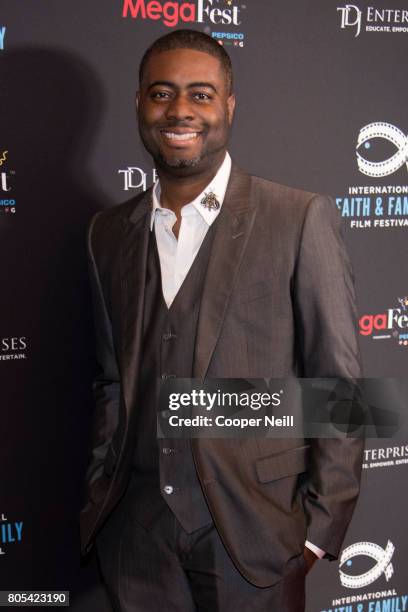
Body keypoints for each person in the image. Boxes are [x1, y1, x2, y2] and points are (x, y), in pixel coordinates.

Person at [80, 29, 364, 612]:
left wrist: (314, 534)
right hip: (135, 542)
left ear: (228, 105)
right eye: (162, 93)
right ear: (140, 104)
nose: (180, 110)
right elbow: (111, 380)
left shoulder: (299, 218)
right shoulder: (105, 233)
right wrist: (101, 496)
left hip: (255, 543)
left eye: (200, 94)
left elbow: (339, 388)